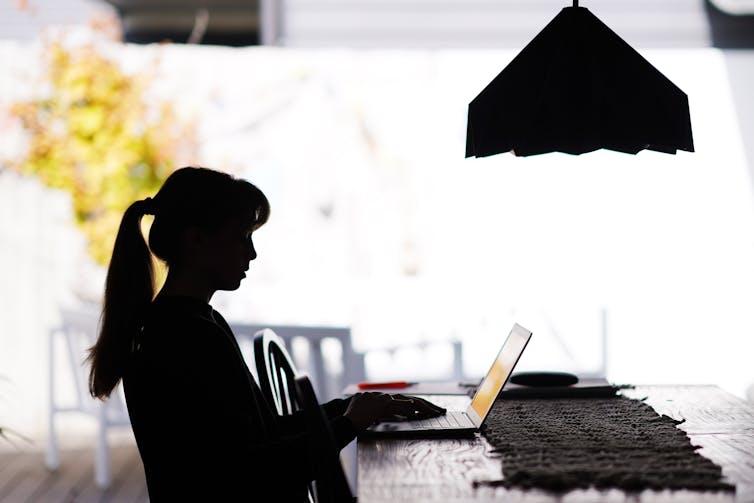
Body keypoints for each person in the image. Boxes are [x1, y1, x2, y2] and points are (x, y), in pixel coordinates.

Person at [86, 166, 445, 501]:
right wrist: (349, 423)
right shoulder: (185, 339)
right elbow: (248, 470)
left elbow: (261, 433)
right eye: (242, 237)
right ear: (197, 240)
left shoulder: (187, 323)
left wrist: (352, 409)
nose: (252, 253)